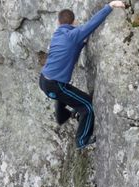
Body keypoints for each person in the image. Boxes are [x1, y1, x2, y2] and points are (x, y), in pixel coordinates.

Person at [39, 1, 126, 149]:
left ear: (59, 23)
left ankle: (62, 117)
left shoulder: (57, 35)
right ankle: (81, 142)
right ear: (74, 22)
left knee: (65, 93)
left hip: (44, 80)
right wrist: (110, 6)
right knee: (87, 105)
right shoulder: (73, 35)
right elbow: (92, 23)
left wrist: (81, 43)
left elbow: (68, 48)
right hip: (55, 84)